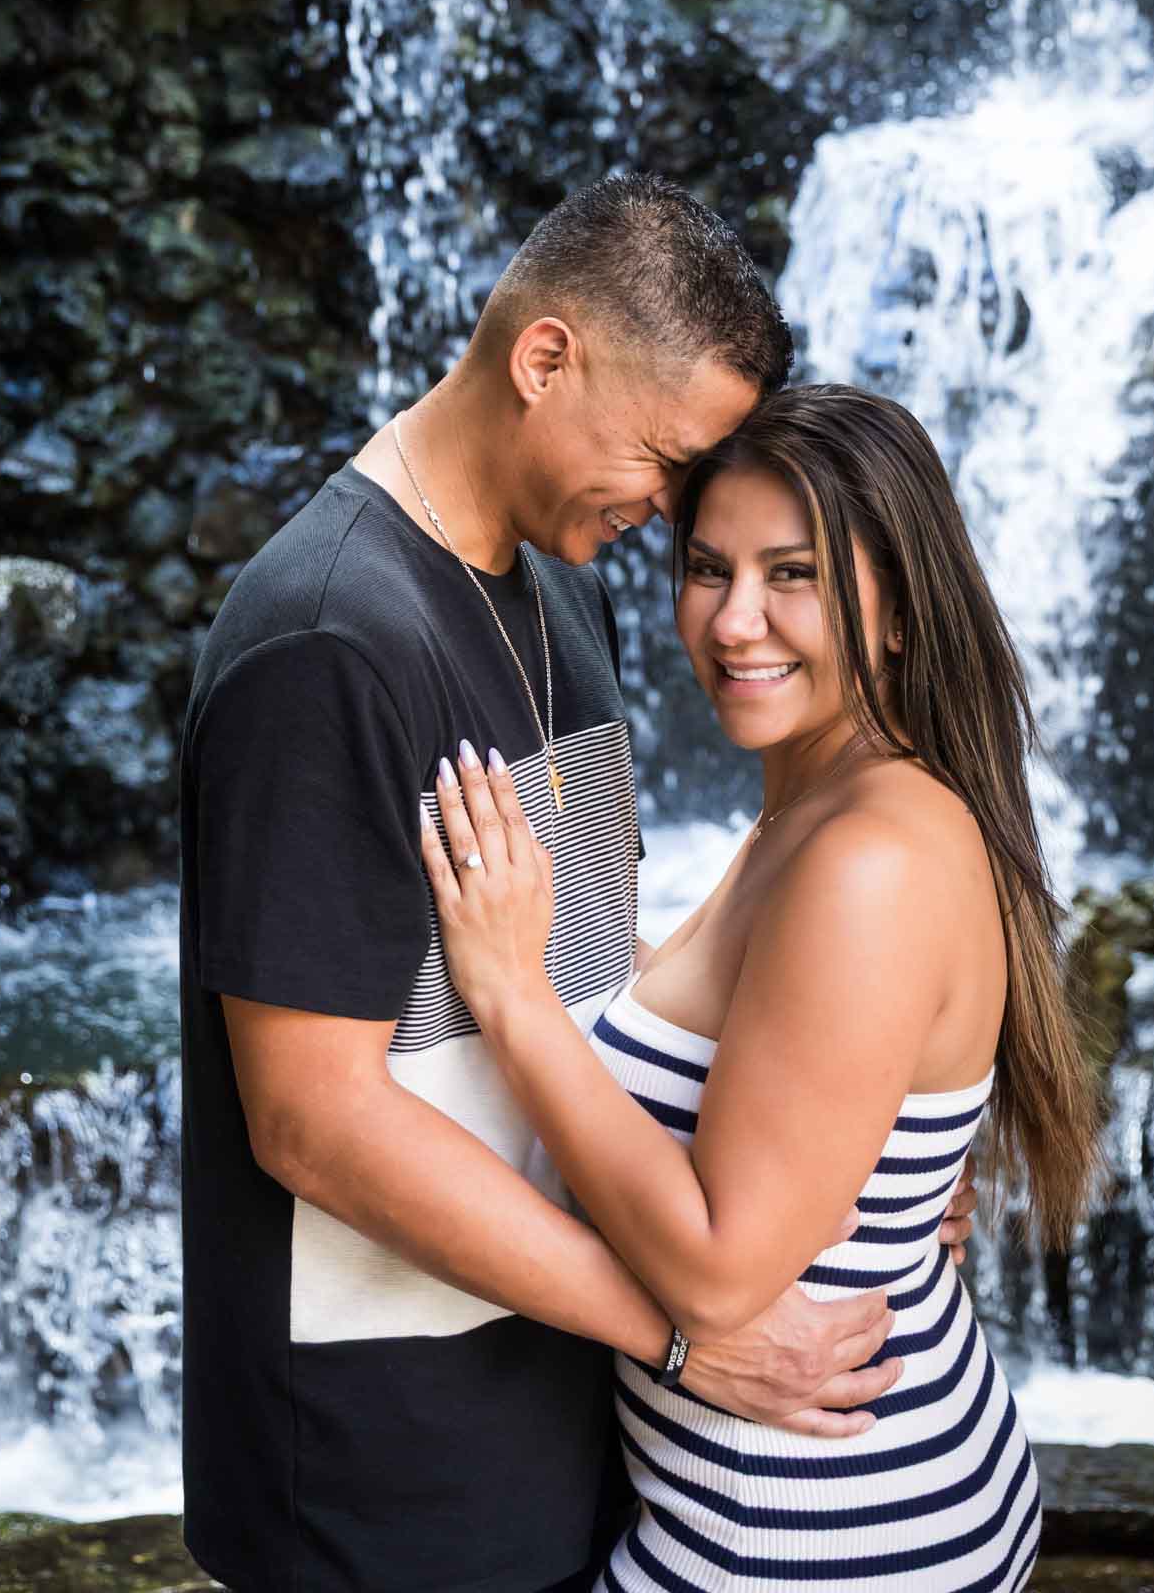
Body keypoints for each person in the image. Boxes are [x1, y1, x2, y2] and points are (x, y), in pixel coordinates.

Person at [179, 178, 978, 1593]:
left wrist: (861, 1167)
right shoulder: (327, 643)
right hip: (390, 1460)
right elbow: (312, 1122)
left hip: (566, 1415)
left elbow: (584, 970)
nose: (672, 514)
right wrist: (680, 1326)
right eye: (666, 461)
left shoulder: (562, 583)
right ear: (546, 360)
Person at [421, 381, 1104, 1593]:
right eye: (708, 567)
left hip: (815, 1536)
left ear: (899, 610)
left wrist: (518, 1000)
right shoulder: (822, 801)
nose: (736, 621)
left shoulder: (867, 859)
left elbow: (725, 1270)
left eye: (794, 574)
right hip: (805, 1498)